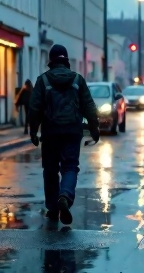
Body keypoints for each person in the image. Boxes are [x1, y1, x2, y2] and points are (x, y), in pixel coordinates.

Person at [27, 44, 99, 226]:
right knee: (70, 167)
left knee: (50, 170)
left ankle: (52, 207)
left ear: (50, 61)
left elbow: (34, 108)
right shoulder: (77, 79)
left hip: (50, 132)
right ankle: (65, 195)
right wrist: (94, 128)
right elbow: (89, 106)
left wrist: (33, 131)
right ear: (66, 60)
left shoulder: (43, 80)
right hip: (72, 131)